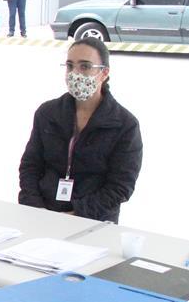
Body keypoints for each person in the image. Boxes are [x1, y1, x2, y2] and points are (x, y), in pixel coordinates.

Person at [18, 36, 143, 224]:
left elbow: (120, 187)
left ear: (104, 73)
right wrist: (37, 209)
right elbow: (30, 166)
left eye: (85, 66)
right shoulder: (47, 113)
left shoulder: (124, 125)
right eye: (70, 66)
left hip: (93, 221)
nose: (75, 73)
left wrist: (76, 215)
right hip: (43, 215)